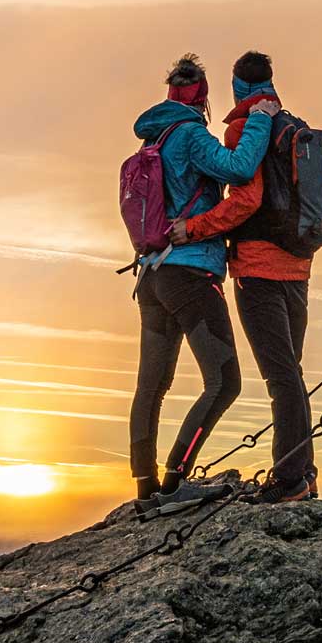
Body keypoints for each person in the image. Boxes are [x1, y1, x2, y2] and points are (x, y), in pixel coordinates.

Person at [128, 53, 278, 505]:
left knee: (151, 386)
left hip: (151, 277)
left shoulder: (150, 141)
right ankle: (176, 479)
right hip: (191, 273)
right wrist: (261, 119)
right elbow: (236, 168)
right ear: (204, 99)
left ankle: (145, 488)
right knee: (224, 381)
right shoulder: (191, 134)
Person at [170, 50, 319, 503]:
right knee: (291, 372)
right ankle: (305, 475)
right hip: (298, 266)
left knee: (280, 377)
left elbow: (246, 201)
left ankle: (291, 480)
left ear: (237, 87)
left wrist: (191, 228)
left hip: (259, 270)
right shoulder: (293, 126)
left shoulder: (245, 128)